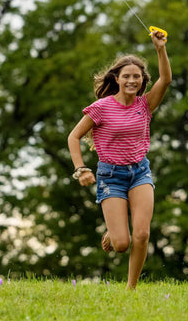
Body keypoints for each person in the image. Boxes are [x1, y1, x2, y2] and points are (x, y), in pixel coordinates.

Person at [67, 30, 171, 290]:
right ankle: (114, 233)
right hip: (110, 176)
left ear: (142, 80)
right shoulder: (102, 107)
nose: (132, 80)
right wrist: (81, 169)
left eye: (137, 76)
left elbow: (166, 80)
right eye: (127, 76)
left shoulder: (144, 105)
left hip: (140, 172)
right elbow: (74, 136)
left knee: (143, 234)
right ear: (117, 78)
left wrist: (160, 49)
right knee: (122, 244)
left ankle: (130, 290)